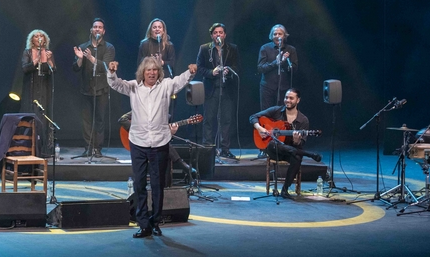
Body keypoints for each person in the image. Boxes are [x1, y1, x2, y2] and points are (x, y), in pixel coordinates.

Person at [107, 57, 197, 238]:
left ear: (159, 72)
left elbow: (180, 81)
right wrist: (112, 72)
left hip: (159, 143)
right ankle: (143, 225)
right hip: (138, 142)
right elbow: (116, 84)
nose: (152, 73)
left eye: (155, 70)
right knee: (139, 184)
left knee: (157, 185)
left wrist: (190, 72)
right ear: (143, 72)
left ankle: (155, 222)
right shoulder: (134, 87)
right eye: (148, 70)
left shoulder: (166, 85)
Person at [249, 88, 321, 199]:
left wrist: (296, 141)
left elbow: (300, 143)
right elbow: (253, 117)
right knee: (273, 144)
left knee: (297, 157)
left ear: (298, 100)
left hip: (289, 152)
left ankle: (285, 190)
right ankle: (308, 154)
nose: (287, 100)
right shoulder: (276, 111)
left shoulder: (303, 120)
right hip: (274, 150)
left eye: (291, 98)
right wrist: (259, 128)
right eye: (286, 97)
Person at [196, 23, 240, 160]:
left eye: (220, 32)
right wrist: (211, 72)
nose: (218, 35)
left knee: (226, 120)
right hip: (211, 89)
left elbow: (237, 66)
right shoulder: (204, 48)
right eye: (215, 33)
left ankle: (225, 149)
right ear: (211, 35)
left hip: (227, 89)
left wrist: (229, 71)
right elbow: (199, 68)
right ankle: (208, 149)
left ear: (225, 35)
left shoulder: (232, 48)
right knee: (209, 120)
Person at [73, 18, 116, 158]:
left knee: (99, 120)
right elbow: (75, 68)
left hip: (101, 88)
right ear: (91, 30)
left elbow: (106, 67)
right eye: (95, 27)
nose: (97, 29)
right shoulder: (84, 47)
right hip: (86, 88)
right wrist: (80, 59)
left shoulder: (109, 47)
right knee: (86, 120)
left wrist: (92, 59)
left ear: (103, 31)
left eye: (100, 27)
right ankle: (88, 147)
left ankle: (97, 148)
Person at [21, 29, 55, 157]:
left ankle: (44, 148)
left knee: (43, 116)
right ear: (32, 40)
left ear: (45, 39)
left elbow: (53, 70)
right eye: (36, 36)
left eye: (41, 36)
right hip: (31, 88)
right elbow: (25, 68)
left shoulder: (48, 52)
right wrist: (37, 58)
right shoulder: (28, 52)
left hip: (44, 88)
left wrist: (49, 60)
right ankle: (30, 147)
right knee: (32, 115)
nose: (39, 38)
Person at [137, 18, 177, 119]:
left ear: (163, 30)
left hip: (164, 81)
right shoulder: (144, 44)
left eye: (159, 27)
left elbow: (172, 63)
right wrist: (150, 61)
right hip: (149, 82)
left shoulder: (169, 45)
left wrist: (162, 62)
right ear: (150, 30)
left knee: (164, 111)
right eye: (154, 27)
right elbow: (139, 63)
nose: (157, 29)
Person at [257, 24, 298, 111]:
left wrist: (284, 62)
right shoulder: (265, 48)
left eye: (280, 34)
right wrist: (276, 63)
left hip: (284, 88)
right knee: (266, 114)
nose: (277, 36)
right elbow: (260, 68)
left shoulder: (291, 49)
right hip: (267, 87)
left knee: (282, 113)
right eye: (275, 34)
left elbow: (294, 69)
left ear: (284, 36)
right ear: (271, 36)